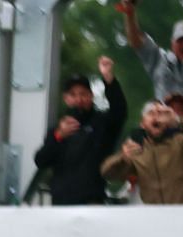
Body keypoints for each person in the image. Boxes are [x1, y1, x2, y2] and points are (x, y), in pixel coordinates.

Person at [35, 59, 128, 206]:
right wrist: (58, 137)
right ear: (66, 99)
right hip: (61, 205)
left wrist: (108, 78)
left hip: (93, 203)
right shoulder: (56, 131)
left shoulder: (101, 123)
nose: (79, 99)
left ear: (91, 96)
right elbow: (40, 160)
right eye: (73, 94)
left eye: (83, 94)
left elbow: (119, 110)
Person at [101, 100, 183, 204]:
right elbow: (107, 173)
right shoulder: (137, 151)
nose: (156, 117)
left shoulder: (181, 141)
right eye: (150, 113)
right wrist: (123, 157)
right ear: (142, 123)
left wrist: (177, 121)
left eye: (161, 114)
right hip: (155, 217)